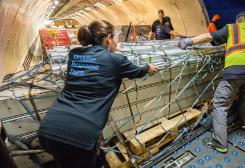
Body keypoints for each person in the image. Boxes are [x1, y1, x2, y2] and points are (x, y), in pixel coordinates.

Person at [38, 20, 160, 168]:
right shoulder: (116, 60)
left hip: (49, 130)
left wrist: (113, 51)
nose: (117, 41)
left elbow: (97, 60)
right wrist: (148, 67)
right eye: (116, 38)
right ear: (108, 38)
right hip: (78, 138)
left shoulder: (74, 54)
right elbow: (137, 71)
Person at [178, 12, 245, 153]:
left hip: (235, 73)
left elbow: (209, 36)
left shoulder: (232, 28)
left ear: (238, 21)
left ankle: (220, 143)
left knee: (220, 104)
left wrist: (188, 41)